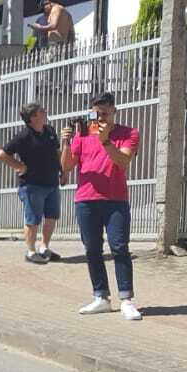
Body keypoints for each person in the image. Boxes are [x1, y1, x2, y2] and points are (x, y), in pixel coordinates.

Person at [62, 91, 141, 320]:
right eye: (97, 113)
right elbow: (67, 166)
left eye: (105, 113)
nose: (101, 118)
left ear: (114, 110)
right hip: (86, 200)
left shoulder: (129, 133)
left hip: (115, 200)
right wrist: (66, 142)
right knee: (92, 249)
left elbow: (123, 161)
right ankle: (101, 297)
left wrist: (105, 140)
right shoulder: (83, 135)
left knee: (119, 248)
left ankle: (126, 299)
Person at [0, 102, 65, 264]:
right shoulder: (24, 136)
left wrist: (62, 171)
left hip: (52, 183)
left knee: (51, 217)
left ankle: (44, 247)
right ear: (33, 117)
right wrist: (20, 166)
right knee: (33, 220)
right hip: (32, 185)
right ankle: (31, 251)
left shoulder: (50, 131)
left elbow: (57, 152)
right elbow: (1, 155)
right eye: (41, 111)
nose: (45, 111)